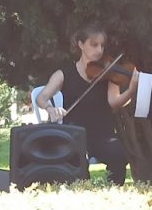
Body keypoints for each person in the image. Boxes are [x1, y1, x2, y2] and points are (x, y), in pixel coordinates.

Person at [36, 24, 139, 185]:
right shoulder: (64, 74)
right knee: (77, 162)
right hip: (75, 134)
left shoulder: (109, 73)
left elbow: (114, 102)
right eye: (94, 44)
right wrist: (50, 108)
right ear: (81, 44)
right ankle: (83, 193)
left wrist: (131, 91)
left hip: (103, 134)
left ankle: (113, 190)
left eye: (102, 46)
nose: (99, 50)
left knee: (118, 154)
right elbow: (41, 97)